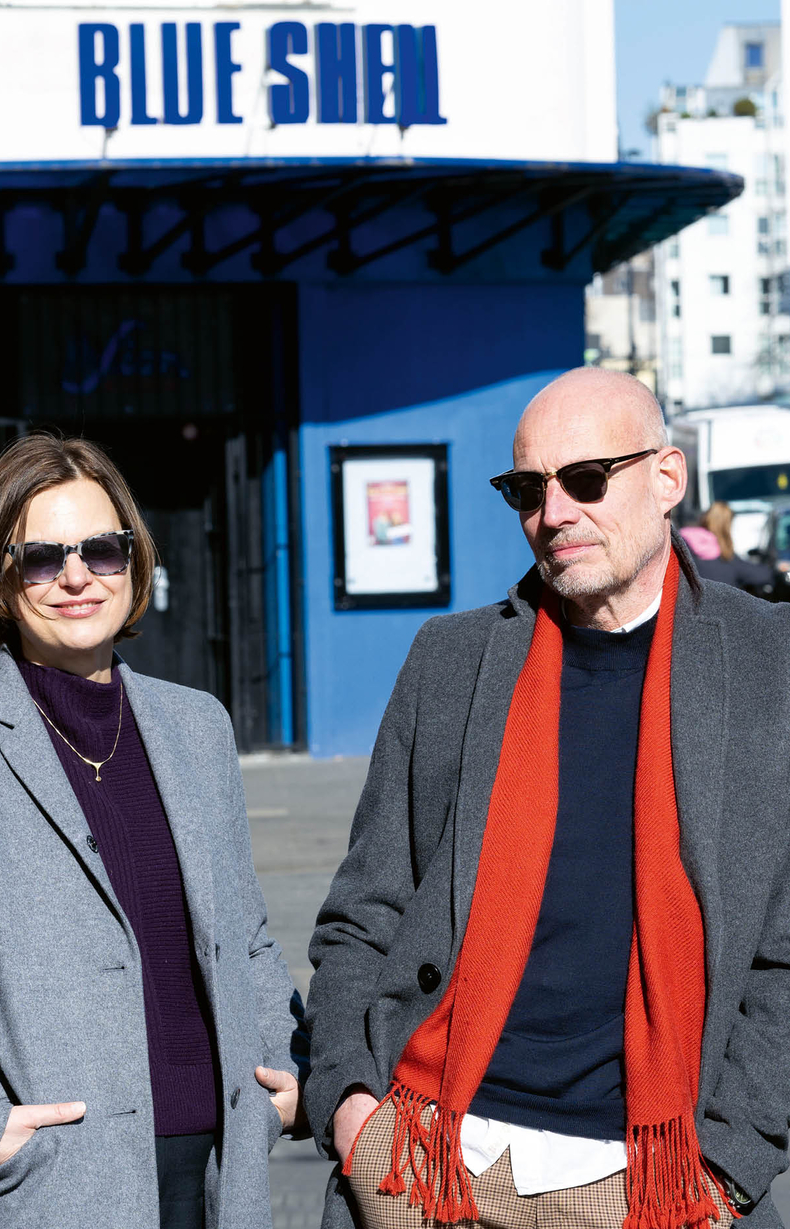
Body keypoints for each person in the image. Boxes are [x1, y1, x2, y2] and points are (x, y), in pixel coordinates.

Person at [304, 368, 790, 1229]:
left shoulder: (767, 665)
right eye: (528, 489)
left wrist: (730, 1160)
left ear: (668, 478)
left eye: (587, 479)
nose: (554, 513)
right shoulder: (450, 660)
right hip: (423, 1161)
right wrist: (349, 1104)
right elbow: (363, 909)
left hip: (653, 1185)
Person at [0, 434, 305, 1229]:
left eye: (102, 550)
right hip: (46, 1191)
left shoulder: (197, 727)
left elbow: (243, 938)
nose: (77, 577)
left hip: (221, 1176)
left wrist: (287, 1077)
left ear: (135, 563)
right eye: (42, 557)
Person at [681, 500, 774, 593]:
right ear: (727, 525)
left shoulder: (683, 541)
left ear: (705, 517)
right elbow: (758, 575)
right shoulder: (723, 553)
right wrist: (775, 570)